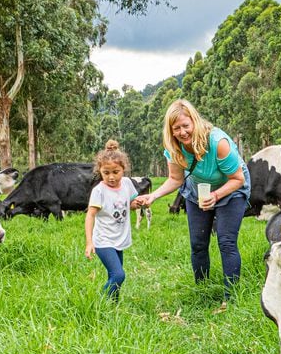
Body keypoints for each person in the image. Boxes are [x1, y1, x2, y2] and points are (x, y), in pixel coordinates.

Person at [133, 99, 249, 298]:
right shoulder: (174, 148)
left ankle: (231, 297)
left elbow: (237, 178)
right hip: (198, 191)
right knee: (197, 243)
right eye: (176, 128)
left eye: (185, 126)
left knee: (226, 241)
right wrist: (153, 196)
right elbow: (175, 179)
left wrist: (216, 195)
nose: (182, 132)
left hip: (231, 189)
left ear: (194, 122)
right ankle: (202, 292)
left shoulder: (218, 143)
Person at [85, 140, 139, 301]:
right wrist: (89, 242)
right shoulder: (99, 191)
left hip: (119, 239)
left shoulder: (128, 184)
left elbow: (131, 205)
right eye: (106, 172)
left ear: (124, 169)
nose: (111, 177)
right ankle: (100, 303)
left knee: (113, 275)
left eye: (116, 172)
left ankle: (112, 306)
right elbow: (90, 215)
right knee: (119, 274)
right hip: (103, 241)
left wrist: (137, 203)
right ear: (100, 171)